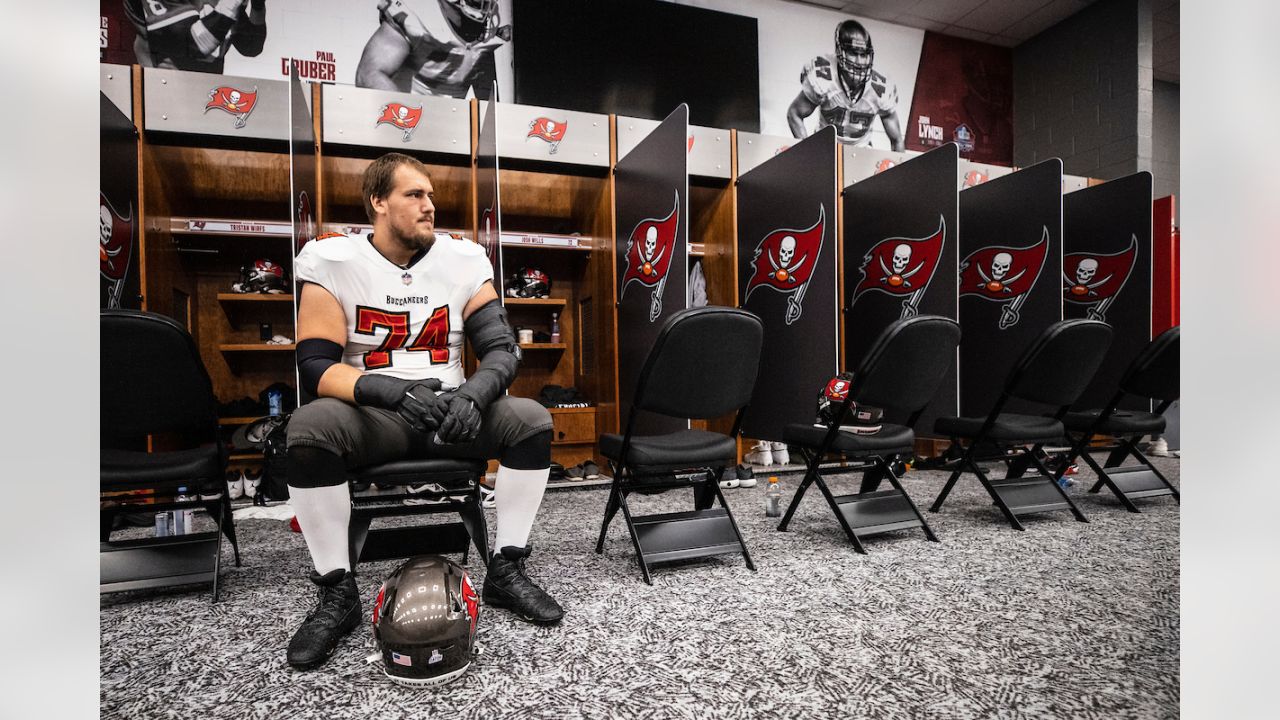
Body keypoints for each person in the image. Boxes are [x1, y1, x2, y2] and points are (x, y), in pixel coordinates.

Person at [285, 152, 562, 671]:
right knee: (308, 429)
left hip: (454, 415)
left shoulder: (462, 260)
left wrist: (474, 396)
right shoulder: (333, 260)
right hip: (375, 416)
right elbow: (316, 364)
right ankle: (336, 591)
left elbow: (502, 348)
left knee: (530, 420)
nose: (429, 205)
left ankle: (506, 570)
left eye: (431, 195)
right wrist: (389, 391)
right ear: (378, 202)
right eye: (415, 195)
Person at [787, 19, 904, 151]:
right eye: (853, 53)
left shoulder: (880, 87)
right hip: (825, 149)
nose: (859, 61)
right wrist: (806, 153)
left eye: (864, 54)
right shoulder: (824, 76)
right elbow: (794, 114)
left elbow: (897, 140)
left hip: (861, 152)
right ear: (840, 52)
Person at [355, 0, 510, 99]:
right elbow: (368, 74)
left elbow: (489, 106)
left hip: (453, 124)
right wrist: (407, 119)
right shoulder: (418, 11)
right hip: (406, 120)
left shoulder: (495, 25)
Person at [123, 0, 267, 72]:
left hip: (206, 98)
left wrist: (258, 6)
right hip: (160, 99)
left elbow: (251, 46)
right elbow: (194, 44)